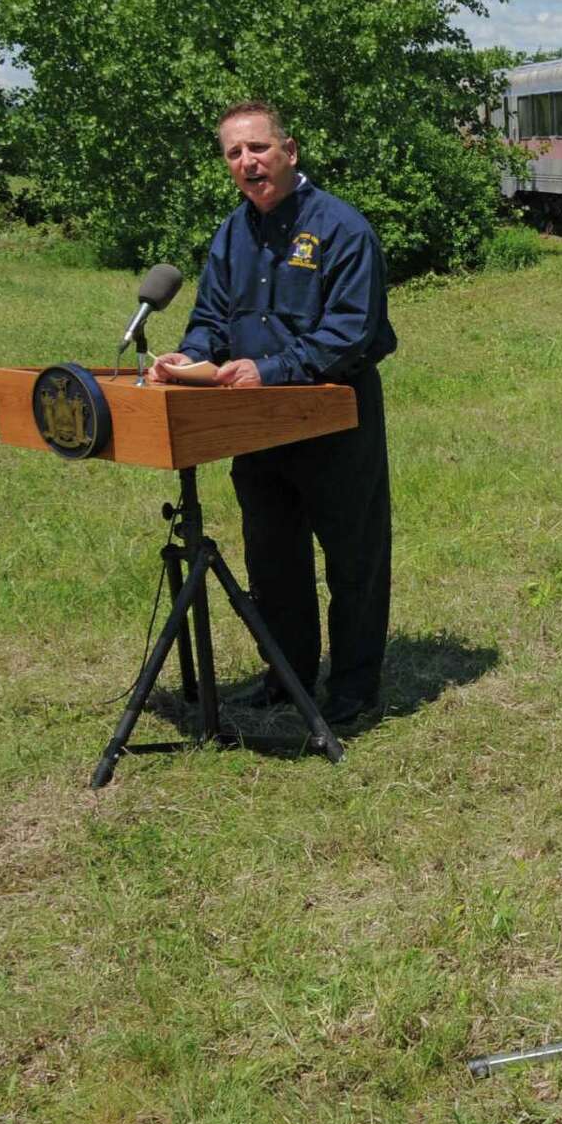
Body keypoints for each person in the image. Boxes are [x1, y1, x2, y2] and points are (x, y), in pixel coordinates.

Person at [148, 101, 395, 727]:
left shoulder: (341, 228)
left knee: (353, 557)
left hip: (332, 414)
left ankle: (354, 687)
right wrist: (191, 357)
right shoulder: (233, 233)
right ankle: (287, 677)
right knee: (272, 555)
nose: (247, 162)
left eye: (257, 148)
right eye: (234, 153)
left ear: (289, 151)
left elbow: (352, 331)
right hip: (252, 421)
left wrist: (273, 369)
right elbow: (212, 320)